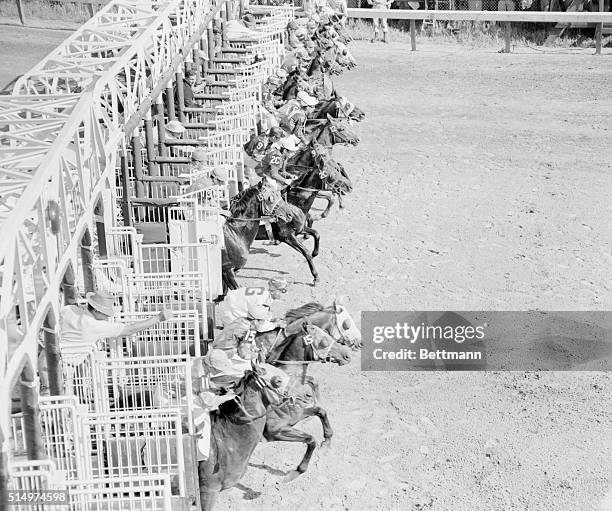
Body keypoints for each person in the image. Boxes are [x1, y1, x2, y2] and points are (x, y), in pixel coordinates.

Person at [59, 291, 175, 367]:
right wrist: (159, 318)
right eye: (106, 313)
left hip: (53, 355)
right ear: (97, 311)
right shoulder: (94, 325)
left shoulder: (69, 309)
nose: (108, 316)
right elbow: (130, 330)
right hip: (67, 365)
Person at [218, 278, 289, 332]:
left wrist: (271, 320)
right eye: (283, 291)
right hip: (230, 313)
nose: (285, 293)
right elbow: (260, 327)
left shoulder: (263, 292)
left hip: (230, 306)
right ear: (274, 290)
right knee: (249, 335)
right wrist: (276, 324)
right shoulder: (263, 299)